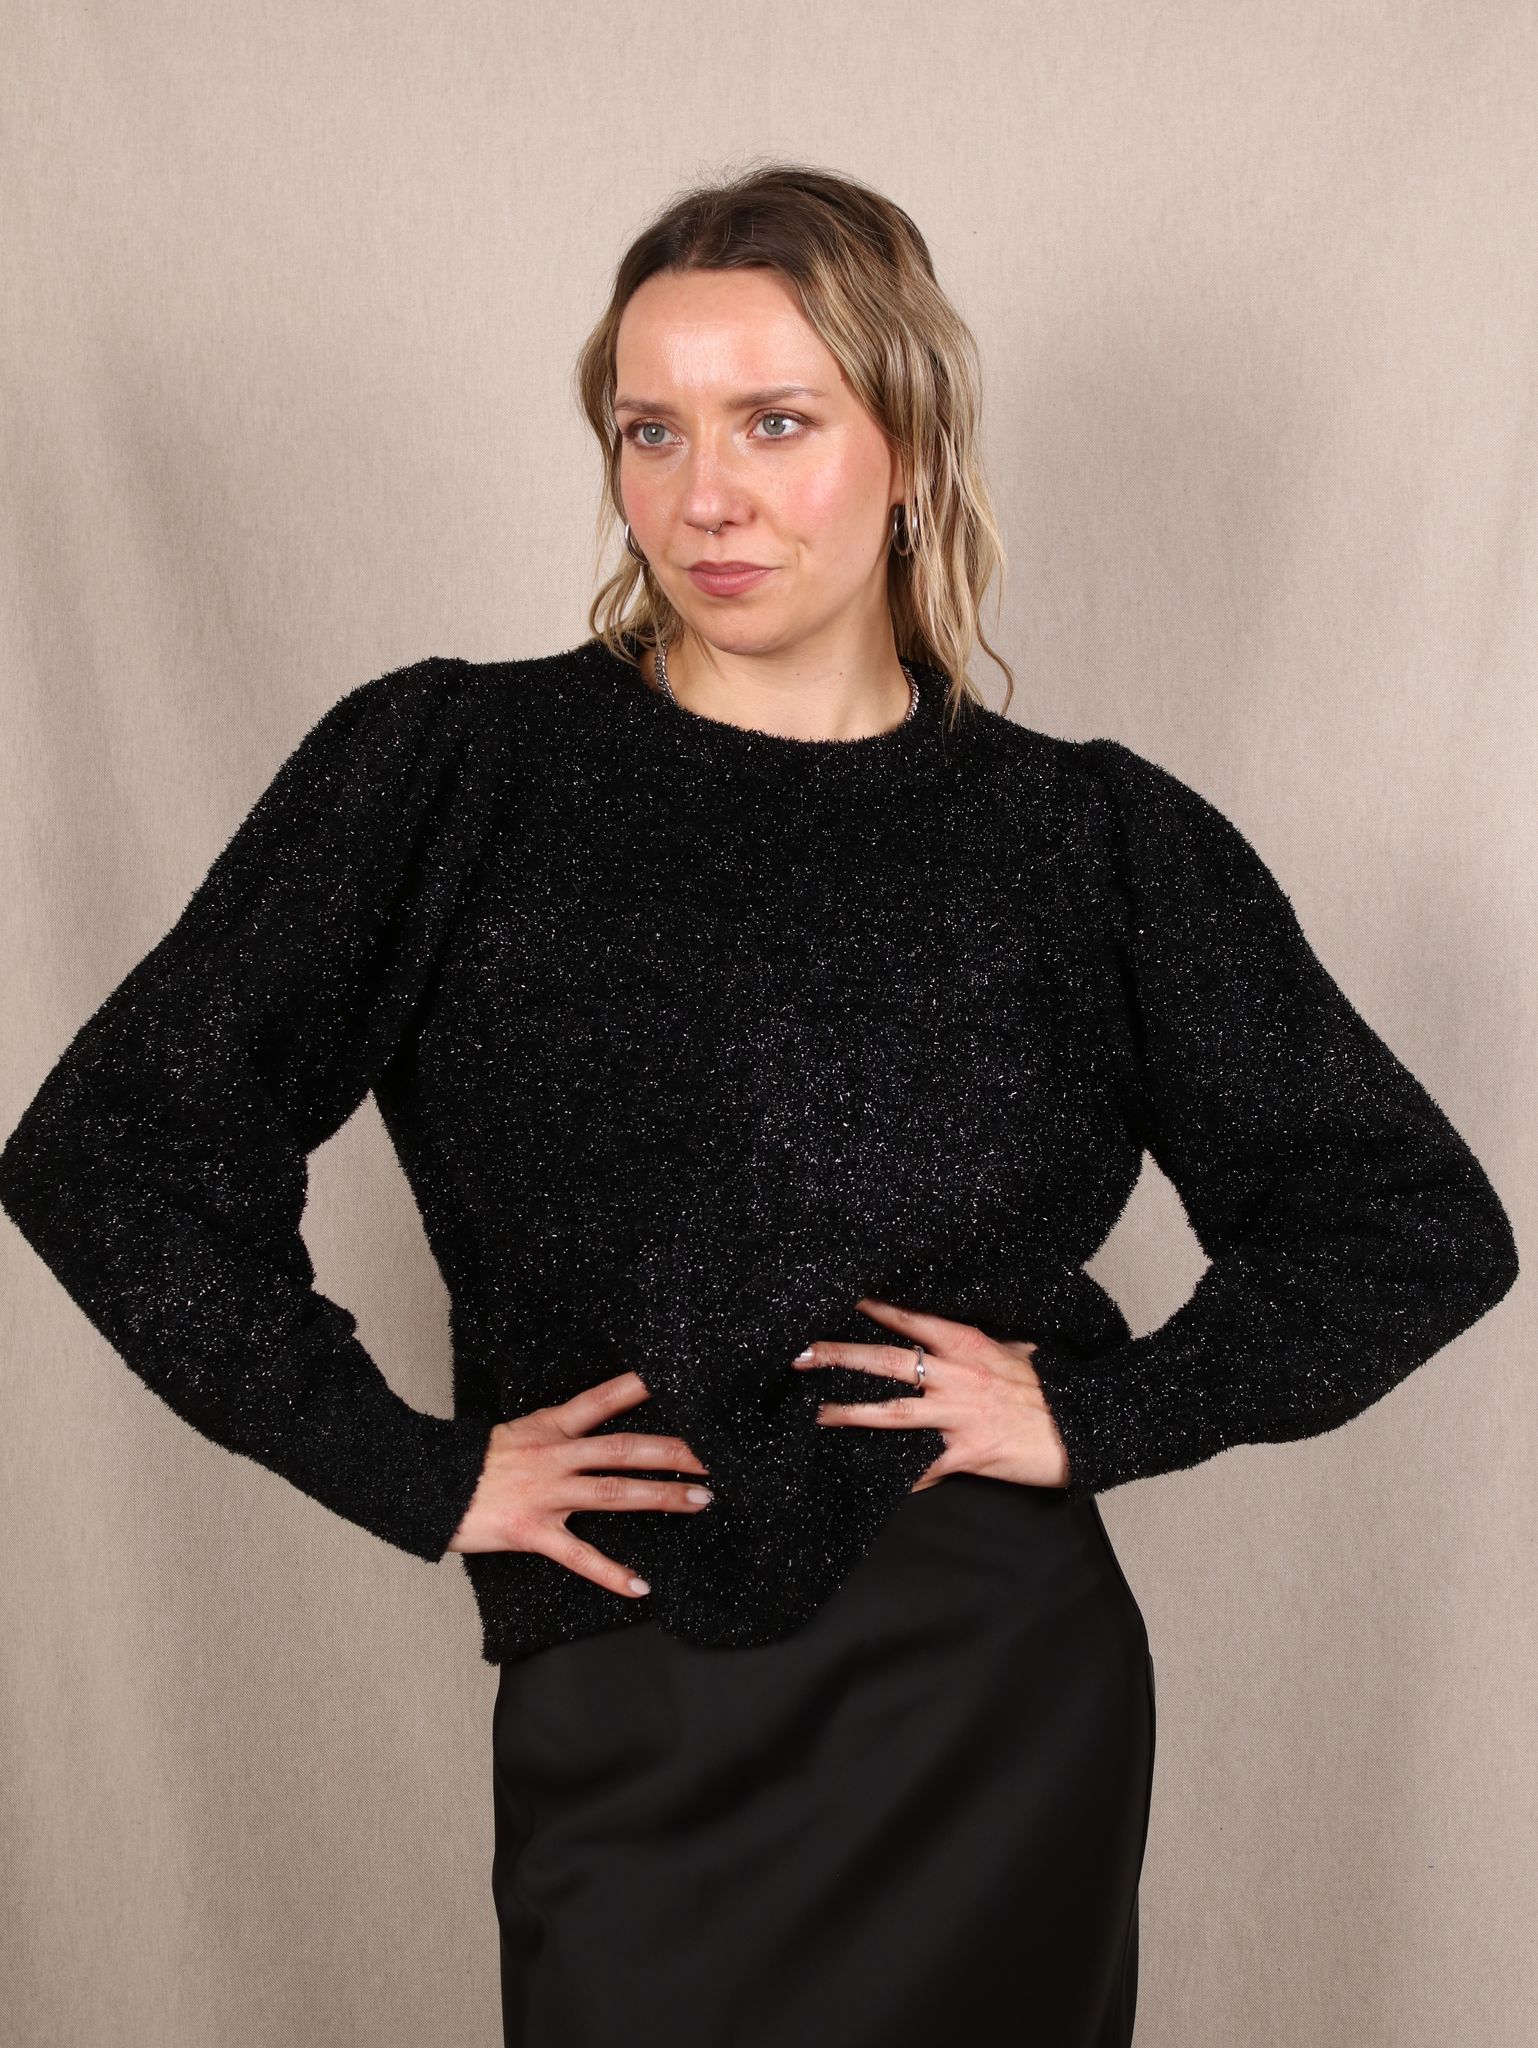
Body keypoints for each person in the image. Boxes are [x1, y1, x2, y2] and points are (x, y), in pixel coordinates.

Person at [0, 160, 1518, 2048]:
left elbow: (1409, 1227)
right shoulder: (456, 770)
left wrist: (1104, 1411)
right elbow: (114, 1152)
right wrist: (407, 1466)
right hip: (623, 1684)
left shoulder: (1089, 840)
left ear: (911, 449)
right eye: (651, 431)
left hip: (988, 1687)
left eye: (775, 423)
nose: (700, 495)